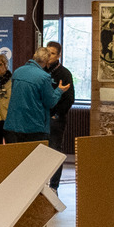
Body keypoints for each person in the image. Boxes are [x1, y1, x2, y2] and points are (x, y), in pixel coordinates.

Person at [3, 49, 58, 144]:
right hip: (35, 126)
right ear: (47, 61)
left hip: (13, 124)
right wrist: (59, 91)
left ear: (34, 56)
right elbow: (50, 102)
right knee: (36, 158)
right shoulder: (44, 77)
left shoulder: (17, 72)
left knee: (16, 157)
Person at [44, 42, 76, 189]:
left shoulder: (64, 73)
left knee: (55, 151)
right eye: (47, 52)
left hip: (55, 119)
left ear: (58, 56)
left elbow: (69, 99)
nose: (49, 56)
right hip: (40, 118)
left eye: (52, 53)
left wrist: (56, 114)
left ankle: (54, 186)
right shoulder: (41, 70)